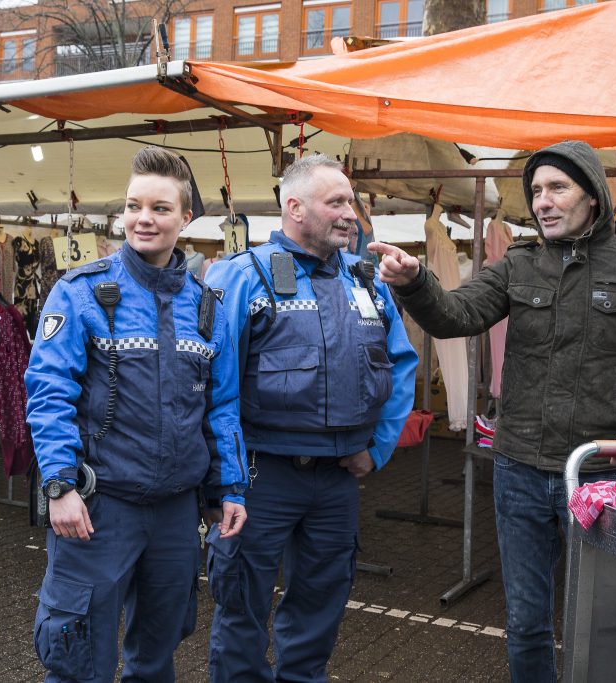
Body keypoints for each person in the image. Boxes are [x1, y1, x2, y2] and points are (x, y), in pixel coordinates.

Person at [368, 140, 616, 683]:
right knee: (525, 621)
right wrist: (415, 282)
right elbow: (456, 314)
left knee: (606, 617)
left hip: (601, 473)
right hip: (520, 469)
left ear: (592, 196)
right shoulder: (516, 266)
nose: (543, 201)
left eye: (557, 188)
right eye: (537, 191)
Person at [24, 146, 248, 683]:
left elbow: (221, 406)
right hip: (99, 509)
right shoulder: (78, 293)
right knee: (79, 659)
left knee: (157, 654)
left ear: (186, 217)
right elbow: (48, 392)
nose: (144, 218)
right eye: (134, 206)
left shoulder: (206, 306)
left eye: (160, 208)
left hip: (175, 516)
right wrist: (59, 485)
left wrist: (230, 489)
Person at [204, 154, 418, 683]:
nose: (352, 214)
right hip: (260, 477)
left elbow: (400, 363)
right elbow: (216, 389)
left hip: (337, 480)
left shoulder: (367, 281)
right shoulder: (241, 277)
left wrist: (379, 447)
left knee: (320, 609)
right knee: (241, 607)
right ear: (295, 208)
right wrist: (226, 480)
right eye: (337, 202)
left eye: (352, 202)